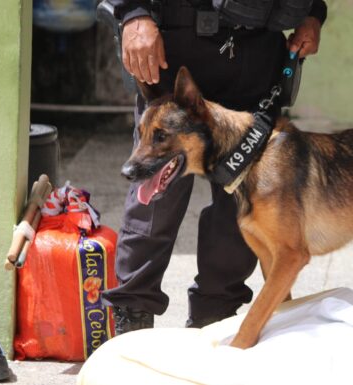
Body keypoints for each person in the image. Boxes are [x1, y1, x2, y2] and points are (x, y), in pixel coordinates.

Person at [101, 0, 327, 333]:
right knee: (157, 192)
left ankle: (214, 321)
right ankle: (131, 318)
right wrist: (134, 13)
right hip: (177, 46)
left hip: (258, 59)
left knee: (243, 205)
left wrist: (313, 14)